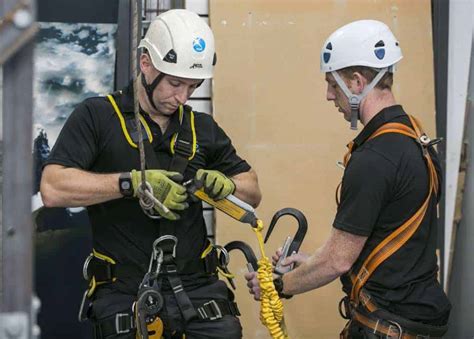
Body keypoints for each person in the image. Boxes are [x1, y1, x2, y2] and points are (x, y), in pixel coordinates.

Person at [41, 9, 261, 339]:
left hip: (199, 292)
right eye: (175, 83)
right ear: (146, 63)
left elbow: (252, 190)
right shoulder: (98, 117)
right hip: (125, 295)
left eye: (193, 86)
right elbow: (52, 187)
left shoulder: (201, 128)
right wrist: (131, 183)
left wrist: (228, 184)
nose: (183, 97)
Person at [245, 20, 450, 338]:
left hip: (388, 325)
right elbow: (389, 247)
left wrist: (278, 284)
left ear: (356, 82)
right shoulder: (415, 139)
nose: (329, 96)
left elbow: (337, 261)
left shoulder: (374, 158)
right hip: (417, 319)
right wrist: (310, 262)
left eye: (332, 83)